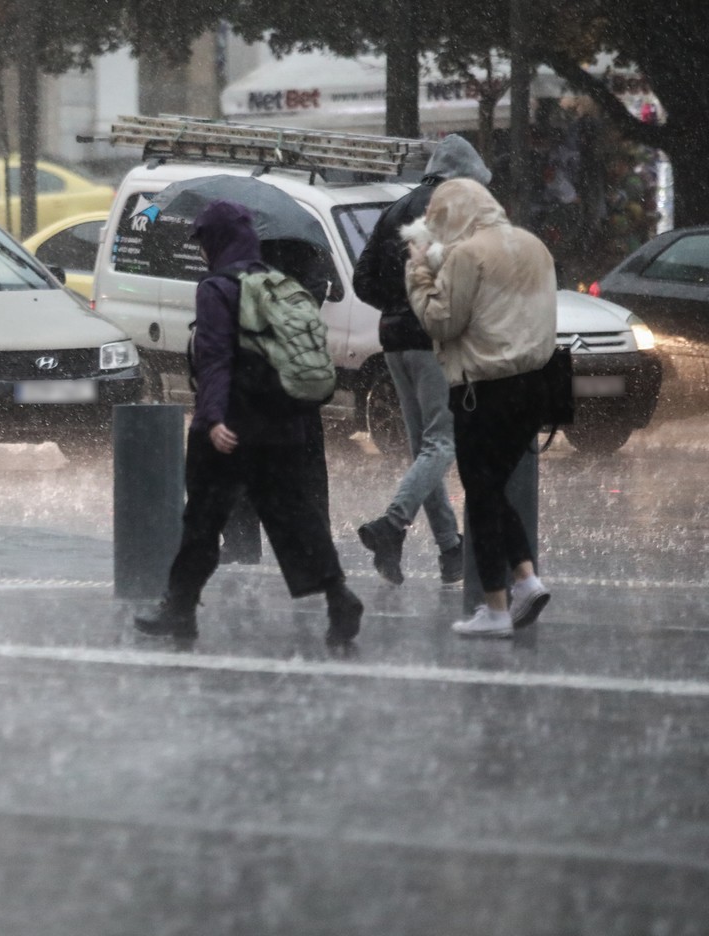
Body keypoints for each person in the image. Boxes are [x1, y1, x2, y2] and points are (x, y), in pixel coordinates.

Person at [134, 201, 363, 647]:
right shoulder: (277, 283)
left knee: (201, 521)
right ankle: (339, 596)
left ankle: (178, 610)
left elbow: (215, 359)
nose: (200, 252)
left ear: (215, 241)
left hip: (232, 429)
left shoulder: (218, 288)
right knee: (296, 518)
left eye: (202, 242)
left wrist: (213, 419)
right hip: (283, 424)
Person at [405, 177, 557, 638]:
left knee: (482, 493)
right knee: (490, 490)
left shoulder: (469, 254)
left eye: (439, 220)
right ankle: (525, 580)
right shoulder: (534, 246)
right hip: (537, 387)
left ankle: (496, 607)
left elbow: (442, 320)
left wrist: (419, 272)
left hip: (484, 389)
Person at [351, 135, 493, 586]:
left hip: (394, 340)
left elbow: (362, 279)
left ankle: (451, 550)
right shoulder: (458, 210)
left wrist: (397, 306)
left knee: (424, 447)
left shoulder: (397, 208)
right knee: (442, 442)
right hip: (434, 338)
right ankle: (391, 525)